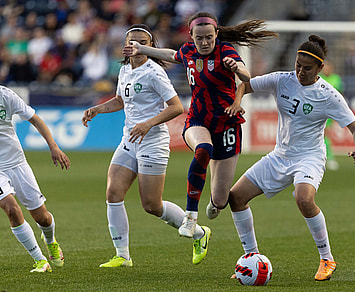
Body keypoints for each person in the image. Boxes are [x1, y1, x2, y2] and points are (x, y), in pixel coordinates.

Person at [123, 12, 278, 238]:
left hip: (226, 124)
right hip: (198, 119)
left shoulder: (226, 51)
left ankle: (215, 202)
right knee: (203, 149)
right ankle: (190, 217)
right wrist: (143, 49)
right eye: (199, 38)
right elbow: (172, 54)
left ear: (216, 34)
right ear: (191, 36)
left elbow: (246, 76)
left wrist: (236, 68)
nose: (204, 42)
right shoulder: (188, 51)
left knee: (221, 199)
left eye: (209, 37)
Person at [228, 35, 355, 281]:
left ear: (320, 68)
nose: (301, 71)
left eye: (307, 68)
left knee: (303, 198)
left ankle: (327, 259)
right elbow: (244, 85)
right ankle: (251, 257)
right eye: (298, 65)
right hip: (279, 155)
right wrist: (237, 102)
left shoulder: (328, 95)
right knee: (236, 197)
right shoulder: (283, 79)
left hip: (309, 157)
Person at [82, 24, 211, 267]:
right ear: (126, 46)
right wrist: (97, 109)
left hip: (153, 142)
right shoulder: (124, 70)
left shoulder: (154, 72)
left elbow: (176, 107)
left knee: (151, 205)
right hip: (130, 140)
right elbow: (121, 99)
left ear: (151, 46)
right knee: (113, 192)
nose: (137, 46)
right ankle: (123, 256)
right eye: (132, 41)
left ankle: (200, 233)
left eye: (142, 42)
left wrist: (148, 124)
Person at [0, 86, 70, 272]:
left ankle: (50, 241)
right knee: (12, 210)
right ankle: (40, 260)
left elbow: (35, 119)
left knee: (43, 218)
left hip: (17, 163)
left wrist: (54, 147)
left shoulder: (5, 95)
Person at [320, 60, 343, 171]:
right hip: (319, 110)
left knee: (325, 134)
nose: (326, 69)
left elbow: (340, 95)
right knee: (322, 135)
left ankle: (328, 158)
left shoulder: (336, 79)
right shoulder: (318, 78)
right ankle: (327, 158)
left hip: (330, 110)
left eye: (327, 67)